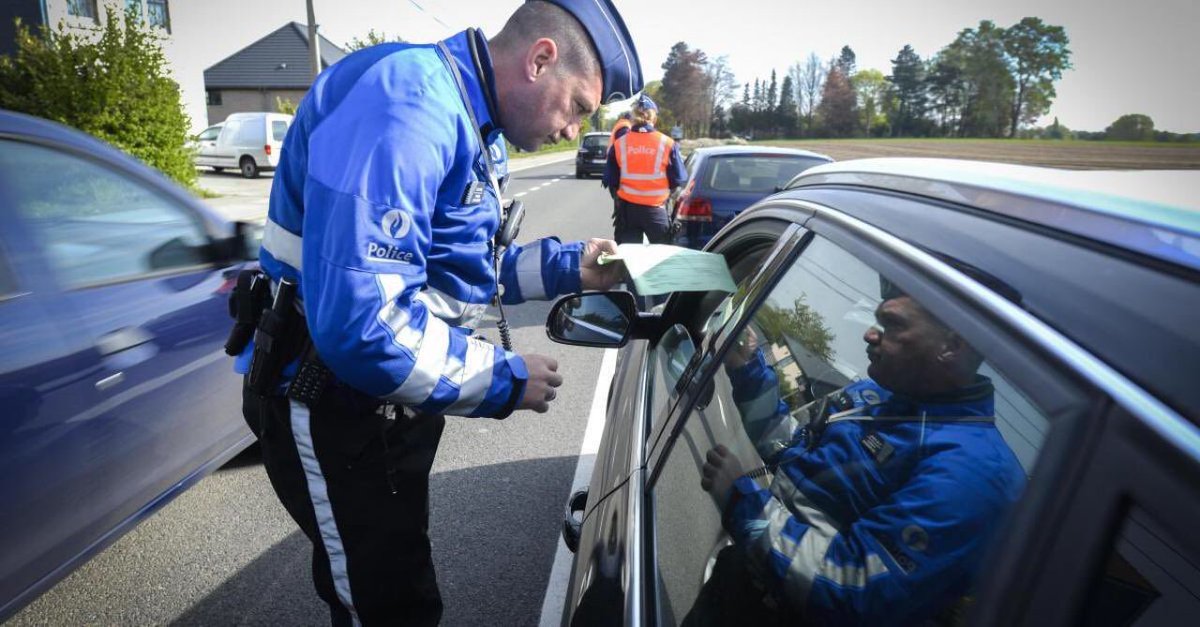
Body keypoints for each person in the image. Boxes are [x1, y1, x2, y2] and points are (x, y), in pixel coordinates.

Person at [232, 1, 643, 624]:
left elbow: (464, 270)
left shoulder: (467, 115)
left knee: (400, 582)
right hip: (329, 398)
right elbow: (364, 327)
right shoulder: (407, 104)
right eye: (580, 107)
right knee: (389, 606)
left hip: (379, 402)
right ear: (540, 60)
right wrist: (504, 378)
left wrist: (571, 267)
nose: (573, 130)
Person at [694, 286, 1026, 626]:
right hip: (737, 586)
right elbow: (793, 452)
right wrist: (749, 370)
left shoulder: (976, 475)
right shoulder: (881, 395)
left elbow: (852, 590)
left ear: (952, 346)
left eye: (892, 325)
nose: (869, 334)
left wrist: (742, 502)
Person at [602, 94, 687, 244]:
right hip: (656, 211)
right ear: (654, 118)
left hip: (628, 212)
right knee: (661, 260)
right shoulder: (667, 143)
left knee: (627, 260)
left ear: (633, 117)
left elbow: (611, 180)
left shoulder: (619, 144)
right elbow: (678, 179)